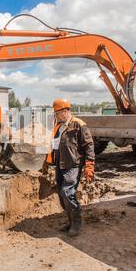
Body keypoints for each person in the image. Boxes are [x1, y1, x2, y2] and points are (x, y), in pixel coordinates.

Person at [42, 99, 95, 237]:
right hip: (60, 164)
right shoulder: (58, 127)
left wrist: (89, 165)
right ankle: (70, 221)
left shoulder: (79, 125)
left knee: (67, 192)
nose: (57, 116)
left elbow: (89, 146)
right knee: (61, 193)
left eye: (58, 113)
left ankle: (77, 222)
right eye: (56, 114)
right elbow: (53, 146)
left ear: (66, 111)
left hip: (73, 164)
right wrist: (47, 163)